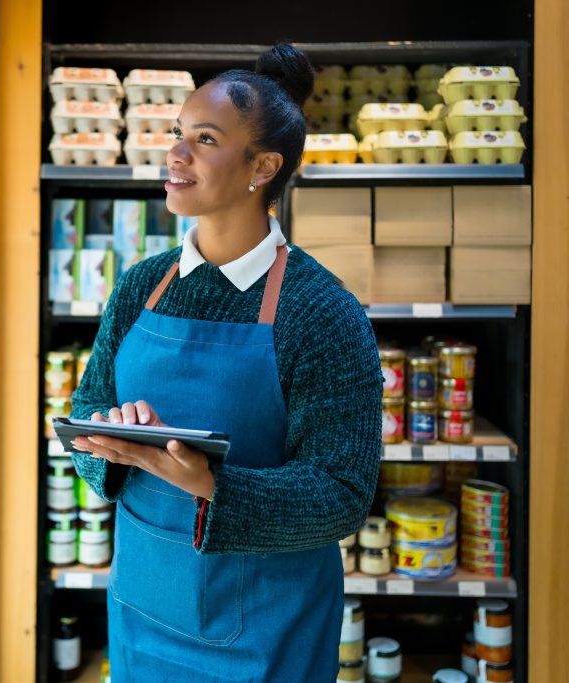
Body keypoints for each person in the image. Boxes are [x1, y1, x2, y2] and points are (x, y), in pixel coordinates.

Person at [70, 43, 383, 683]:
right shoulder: (139, 286)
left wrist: (209, 483)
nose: (175, 154)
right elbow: (83, 414)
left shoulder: (321, 311)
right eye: (177, 134)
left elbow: (342, 494)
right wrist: (113, 440)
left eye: (204, 139)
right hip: (144, 607)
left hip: (269, 628)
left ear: (262, 166)